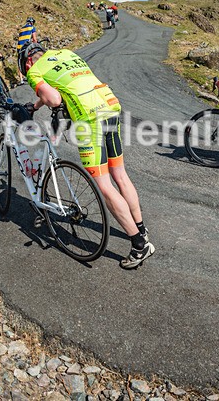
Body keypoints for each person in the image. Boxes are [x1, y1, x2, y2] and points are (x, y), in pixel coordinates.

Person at [20, 43, 154, 269]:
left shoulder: (34, 70)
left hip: (89, 118)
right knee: (119, 174)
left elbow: (53, 99)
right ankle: (141, 228)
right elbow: (64, 84)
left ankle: (139, 245)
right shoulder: (63, 55)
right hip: (109, 105)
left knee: (103, 185)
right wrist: (35, 106)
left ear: (27, 63)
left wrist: (43, 99)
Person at [16, 17, 38, 84]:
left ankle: (21, 79)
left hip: (19, 47)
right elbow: (34, 39)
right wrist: (36, 45)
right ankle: (31, 76)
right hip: (26, 47)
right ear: (32, 22)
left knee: (20, 62)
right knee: (30, 60)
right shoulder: (32, 28)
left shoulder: (22, 29)